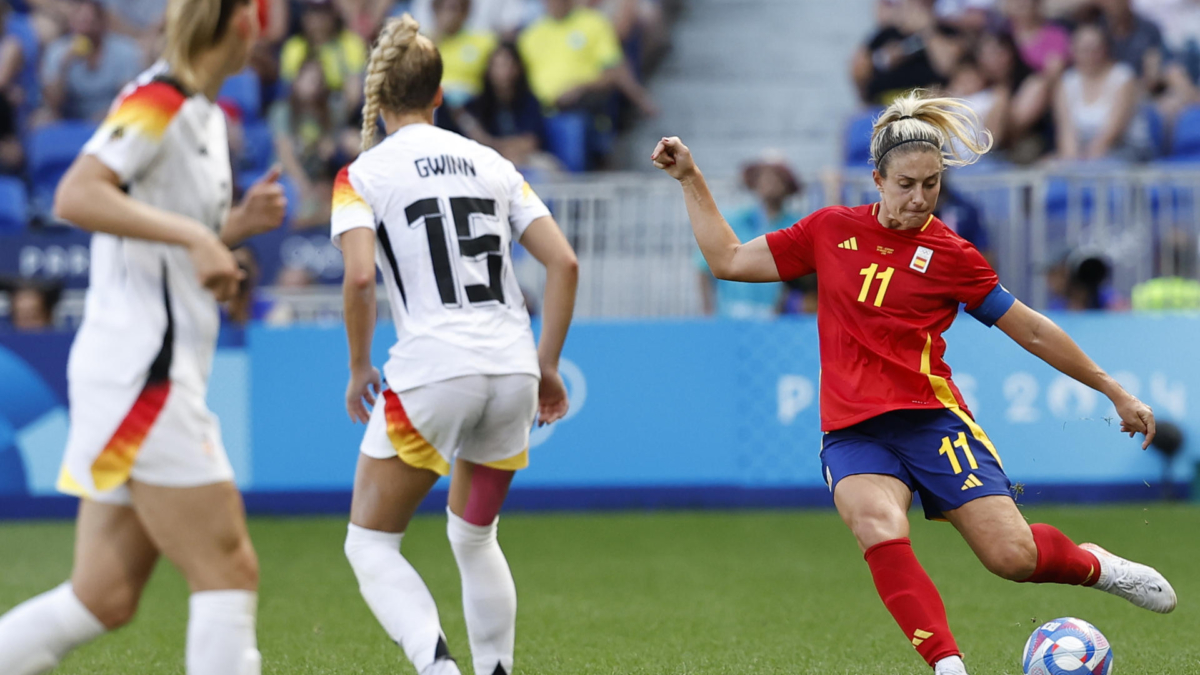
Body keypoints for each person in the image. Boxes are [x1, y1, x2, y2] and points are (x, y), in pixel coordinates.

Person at [651, 91, 1175, 675]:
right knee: (877, 524)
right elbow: (727, 259)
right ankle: (947, 666)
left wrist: (1114, 390)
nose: (919, 198)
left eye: (931, 184)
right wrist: (691, 177)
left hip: (932, 421)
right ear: (877, 179)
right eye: (906, 184)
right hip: (855, 431)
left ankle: (1096, 566)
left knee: (1012, 557)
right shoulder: (829, 231)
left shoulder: (951, 253)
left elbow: (1029, 330)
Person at [0, 2, 287, 674]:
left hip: (139, 376)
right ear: (242, 25)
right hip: (143, 381)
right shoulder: (159, 96)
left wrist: (231, 227)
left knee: (102, 596)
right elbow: (75, 194)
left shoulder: (208, 118)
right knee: (228, 566)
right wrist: (197, 235)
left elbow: (168, 239)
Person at [333, 15, 578, 675]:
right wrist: (547, 363)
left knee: (370, 544)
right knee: (475, 535)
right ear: (440, 96)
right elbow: (565, 264)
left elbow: (359, 276)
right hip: (509, 368)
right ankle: (496, 668)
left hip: (434, 373)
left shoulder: (361, 173)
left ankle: (437, 666)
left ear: (378, 97)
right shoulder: (493, 162)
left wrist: (359, 364)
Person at [695, 151, 801, 318]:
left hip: (776, 321)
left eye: (777, 175)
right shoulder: (731, 221)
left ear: (787, 184)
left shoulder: (798, 226)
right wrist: (708, 313)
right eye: (764, 175)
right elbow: (703, 266)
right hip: (728, 318)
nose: (770, 181)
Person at [517, 0, 657, 118]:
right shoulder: (531, 34)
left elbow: (613, 69)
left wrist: (581, 88)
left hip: (580, 102)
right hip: (538, 108)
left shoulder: (593, 23)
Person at [37, 0, 144, 123]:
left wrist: (108, 114)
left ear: (103, 23)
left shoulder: (125, 51)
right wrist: (64, 65)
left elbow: (130, 97)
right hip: (69, 118)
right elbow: (53, 103)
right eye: (81, 24)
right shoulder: (57, 51)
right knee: (42, 120)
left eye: (91, 23)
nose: (86, 31)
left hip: (111, 117)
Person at [1054, 23, 1141, 160]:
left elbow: (1113, 132)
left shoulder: (1123, 77)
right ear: (1073, 51)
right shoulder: (1067, 82)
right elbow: (1066, 132)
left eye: (1095, 49)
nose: (1090, 55)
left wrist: (1085, 165)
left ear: (1106, 49)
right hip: (1083, 153)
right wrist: (1070, 162)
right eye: (1083, 49)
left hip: (1122, 149)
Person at [461, 42, 553, 168]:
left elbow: (531, 142)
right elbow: (475, 142)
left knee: (548, 167)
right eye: (497, 66)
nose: (503, 72)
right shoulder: (477, 105)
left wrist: (494, 144)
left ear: (518, 68)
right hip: (487, 161)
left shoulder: (530, 101)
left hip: (526, 158)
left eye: (507, 65)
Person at [280, 0, 367, 113]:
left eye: (323, 14)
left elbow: (354, 91)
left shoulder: (351, 43)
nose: (317, 20)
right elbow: (287, 91)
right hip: (301, 110)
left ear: (333, 15)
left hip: (339, 107)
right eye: (313, 13)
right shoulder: (293, 47)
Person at [432, 0, 497, 108]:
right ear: (436, 10)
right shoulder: (423, 42)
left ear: (466, 12)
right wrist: (437, 35)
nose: (451, 15)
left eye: (457, 9)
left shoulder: (484, 41)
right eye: (446, 8)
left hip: (472, 105)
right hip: (434, 105)